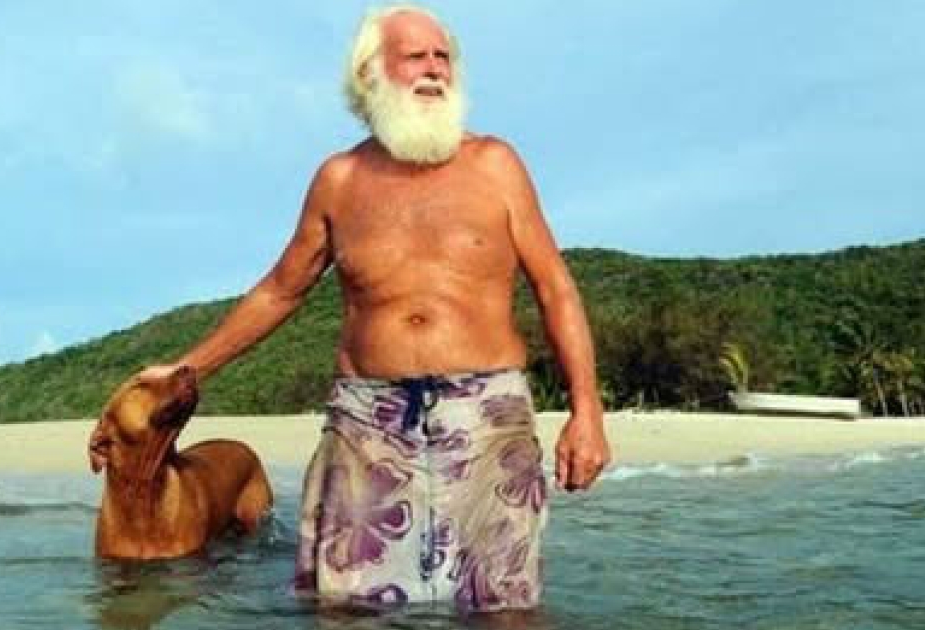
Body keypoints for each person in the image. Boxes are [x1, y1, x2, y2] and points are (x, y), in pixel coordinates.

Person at [89, 4, 610, 613]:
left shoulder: (496, 164)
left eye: (443, 57)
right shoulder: (339, 180)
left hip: (486, 416)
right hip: (366, 422)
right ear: (369, 74)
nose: (435, 69)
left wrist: (587, 410)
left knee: (503, 607)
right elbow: (280, 290)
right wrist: (187, 369)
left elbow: (555, 287)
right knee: (349, 608)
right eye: (415, 56)